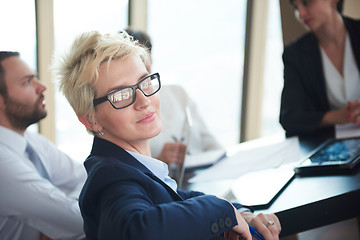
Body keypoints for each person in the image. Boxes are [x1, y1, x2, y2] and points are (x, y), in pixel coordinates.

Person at [53, 30, 281, 240]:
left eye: (144, 82)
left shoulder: (130, 167)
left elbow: (174, 196)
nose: (144, 101)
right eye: (121, 95)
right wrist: (219, 209)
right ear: (90, 118)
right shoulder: (111, 178)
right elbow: (135, 230)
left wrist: (237, 211)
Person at [0, 51, 86, 240]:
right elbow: (79, 221)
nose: (42, 86)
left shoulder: (31, 140)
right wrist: (59, 219)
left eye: (35, 78)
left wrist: (52, 224)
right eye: (27, 82)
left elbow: (89, 176)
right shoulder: (2, 164)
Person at [125, 28, 223, 171]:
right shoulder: (127, 112)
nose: (140, 63)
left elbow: (209, 141)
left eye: (143, 56)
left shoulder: (178, 93)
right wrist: (159, 161)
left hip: (203, 174)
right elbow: (128, 167)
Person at [279, 0, 360, 137]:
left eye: (306, 2)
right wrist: (337, 116)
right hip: (335, 149)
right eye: (295, 7)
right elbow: (289, 118)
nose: (301, 14)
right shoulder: (295, 54)